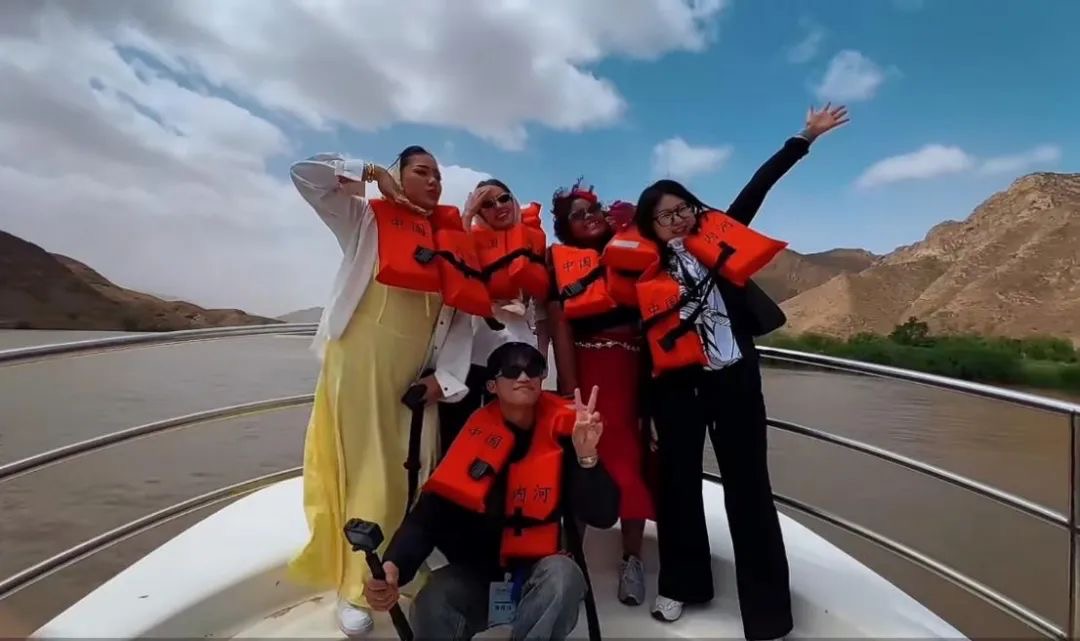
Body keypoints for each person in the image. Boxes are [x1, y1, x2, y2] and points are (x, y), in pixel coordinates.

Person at [632, 104, 849, 637]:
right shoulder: (640, 272)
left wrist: (804, 138)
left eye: (683, 208)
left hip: (734, 381)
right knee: (679, 488)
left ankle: (767, 613)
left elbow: (758, 187)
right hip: (678, 390)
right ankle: (682, 586)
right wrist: (647, 411)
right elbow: (640, 346)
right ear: (650, 227)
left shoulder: (720, 241)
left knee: (750, 490)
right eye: (666, 215)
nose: (679, 219)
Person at [287, 145, 474, 637]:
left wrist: (444, 379)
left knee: (417, 470)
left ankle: (402, 565)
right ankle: (356, 587)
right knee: (373, 474)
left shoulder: (450, 239)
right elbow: (305, 175)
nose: (433, 181)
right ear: (398, 175)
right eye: (421, 171)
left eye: (438, 174)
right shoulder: (366, 217)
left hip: (416, 377)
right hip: (361, 366)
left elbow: (460, 320)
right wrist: (369, 173)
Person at [363, 342, 620, 641]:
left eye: (534, 369)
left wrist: (587, 458)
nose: (523, 376)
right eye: (511, 370)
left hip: (536, 573)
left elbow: (603, 516)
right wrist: (393, 566)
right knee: (433, 600)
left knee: (565, 576)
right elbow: (427, 517)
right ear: (491, 386)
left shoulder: (566, 438)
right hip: (477, 574)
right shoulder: (473, 438)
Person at [545, 182, 655, 606]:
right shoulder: (561, 265)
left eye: (593, 209)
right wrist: (570, 393)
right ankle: (570, 562)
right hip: (588, 374)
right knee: (581, 463)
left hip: (633, 374)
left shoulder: (630, 252)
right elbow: (559, 327)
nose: (589, 217)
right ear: (565, 227)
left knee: (633, 465)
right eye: (578, 214)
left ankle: (632, 560)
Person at [437, 179, 547, 454]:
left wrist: (543, 356)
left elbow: (543, 310)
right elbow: (454, 263)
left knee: (516, 439)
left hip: (521, 353)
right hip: (475, 353)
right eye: (487, 204)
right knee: (463, 436)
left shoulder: (534, 244)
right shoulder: (469, 240)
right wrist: (467, 214)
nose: (498, 206)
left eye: (504, 198)